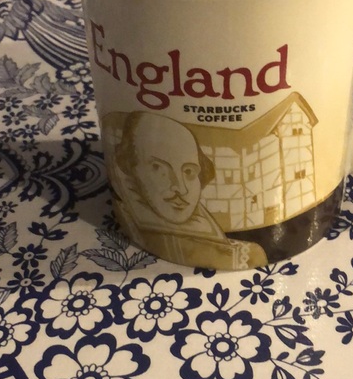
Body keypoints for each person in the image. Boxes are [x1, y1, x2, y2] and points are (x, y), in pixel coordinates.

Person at [110, 112, 267, 270]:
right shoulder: (129, 220)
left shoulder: (247, 254)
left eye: (189, 171)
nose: (180, 188)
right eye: (158, 168)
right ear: (129, 167)